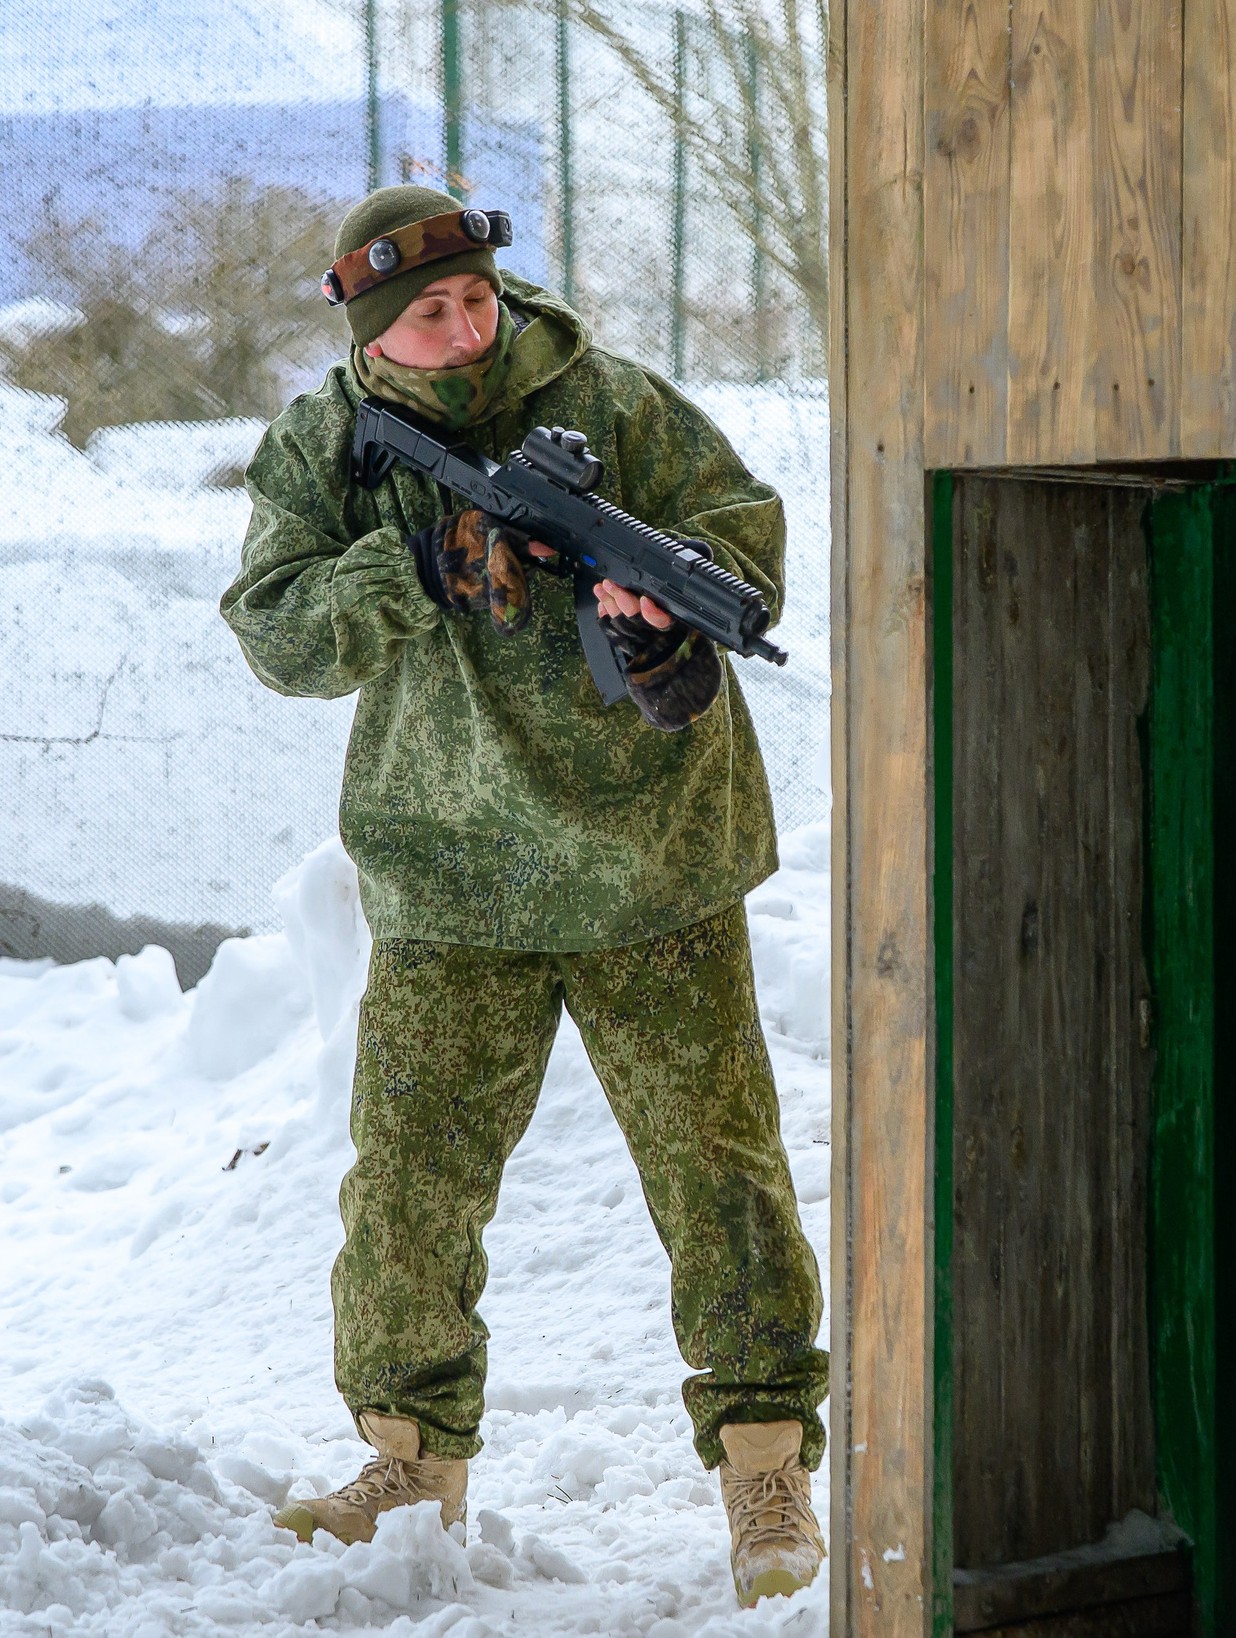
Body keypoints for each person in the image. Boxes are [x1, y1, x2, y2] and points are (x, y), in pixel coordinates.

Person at [217, 185, 828, 1608]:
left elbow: (740, 531)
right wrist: (417, 563)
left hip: (650, 862)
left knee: (721, 1178)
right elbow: (279, 635)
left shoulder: (610, 404)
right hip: (446, 874)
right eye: (430, 312)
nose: (467, 324)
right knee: (411, 1191)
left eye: (479, 298)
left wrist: (667, 610)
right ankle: (409, 1461)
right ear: (374, 332)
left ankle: (764, 1461)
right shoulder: (329, 444)